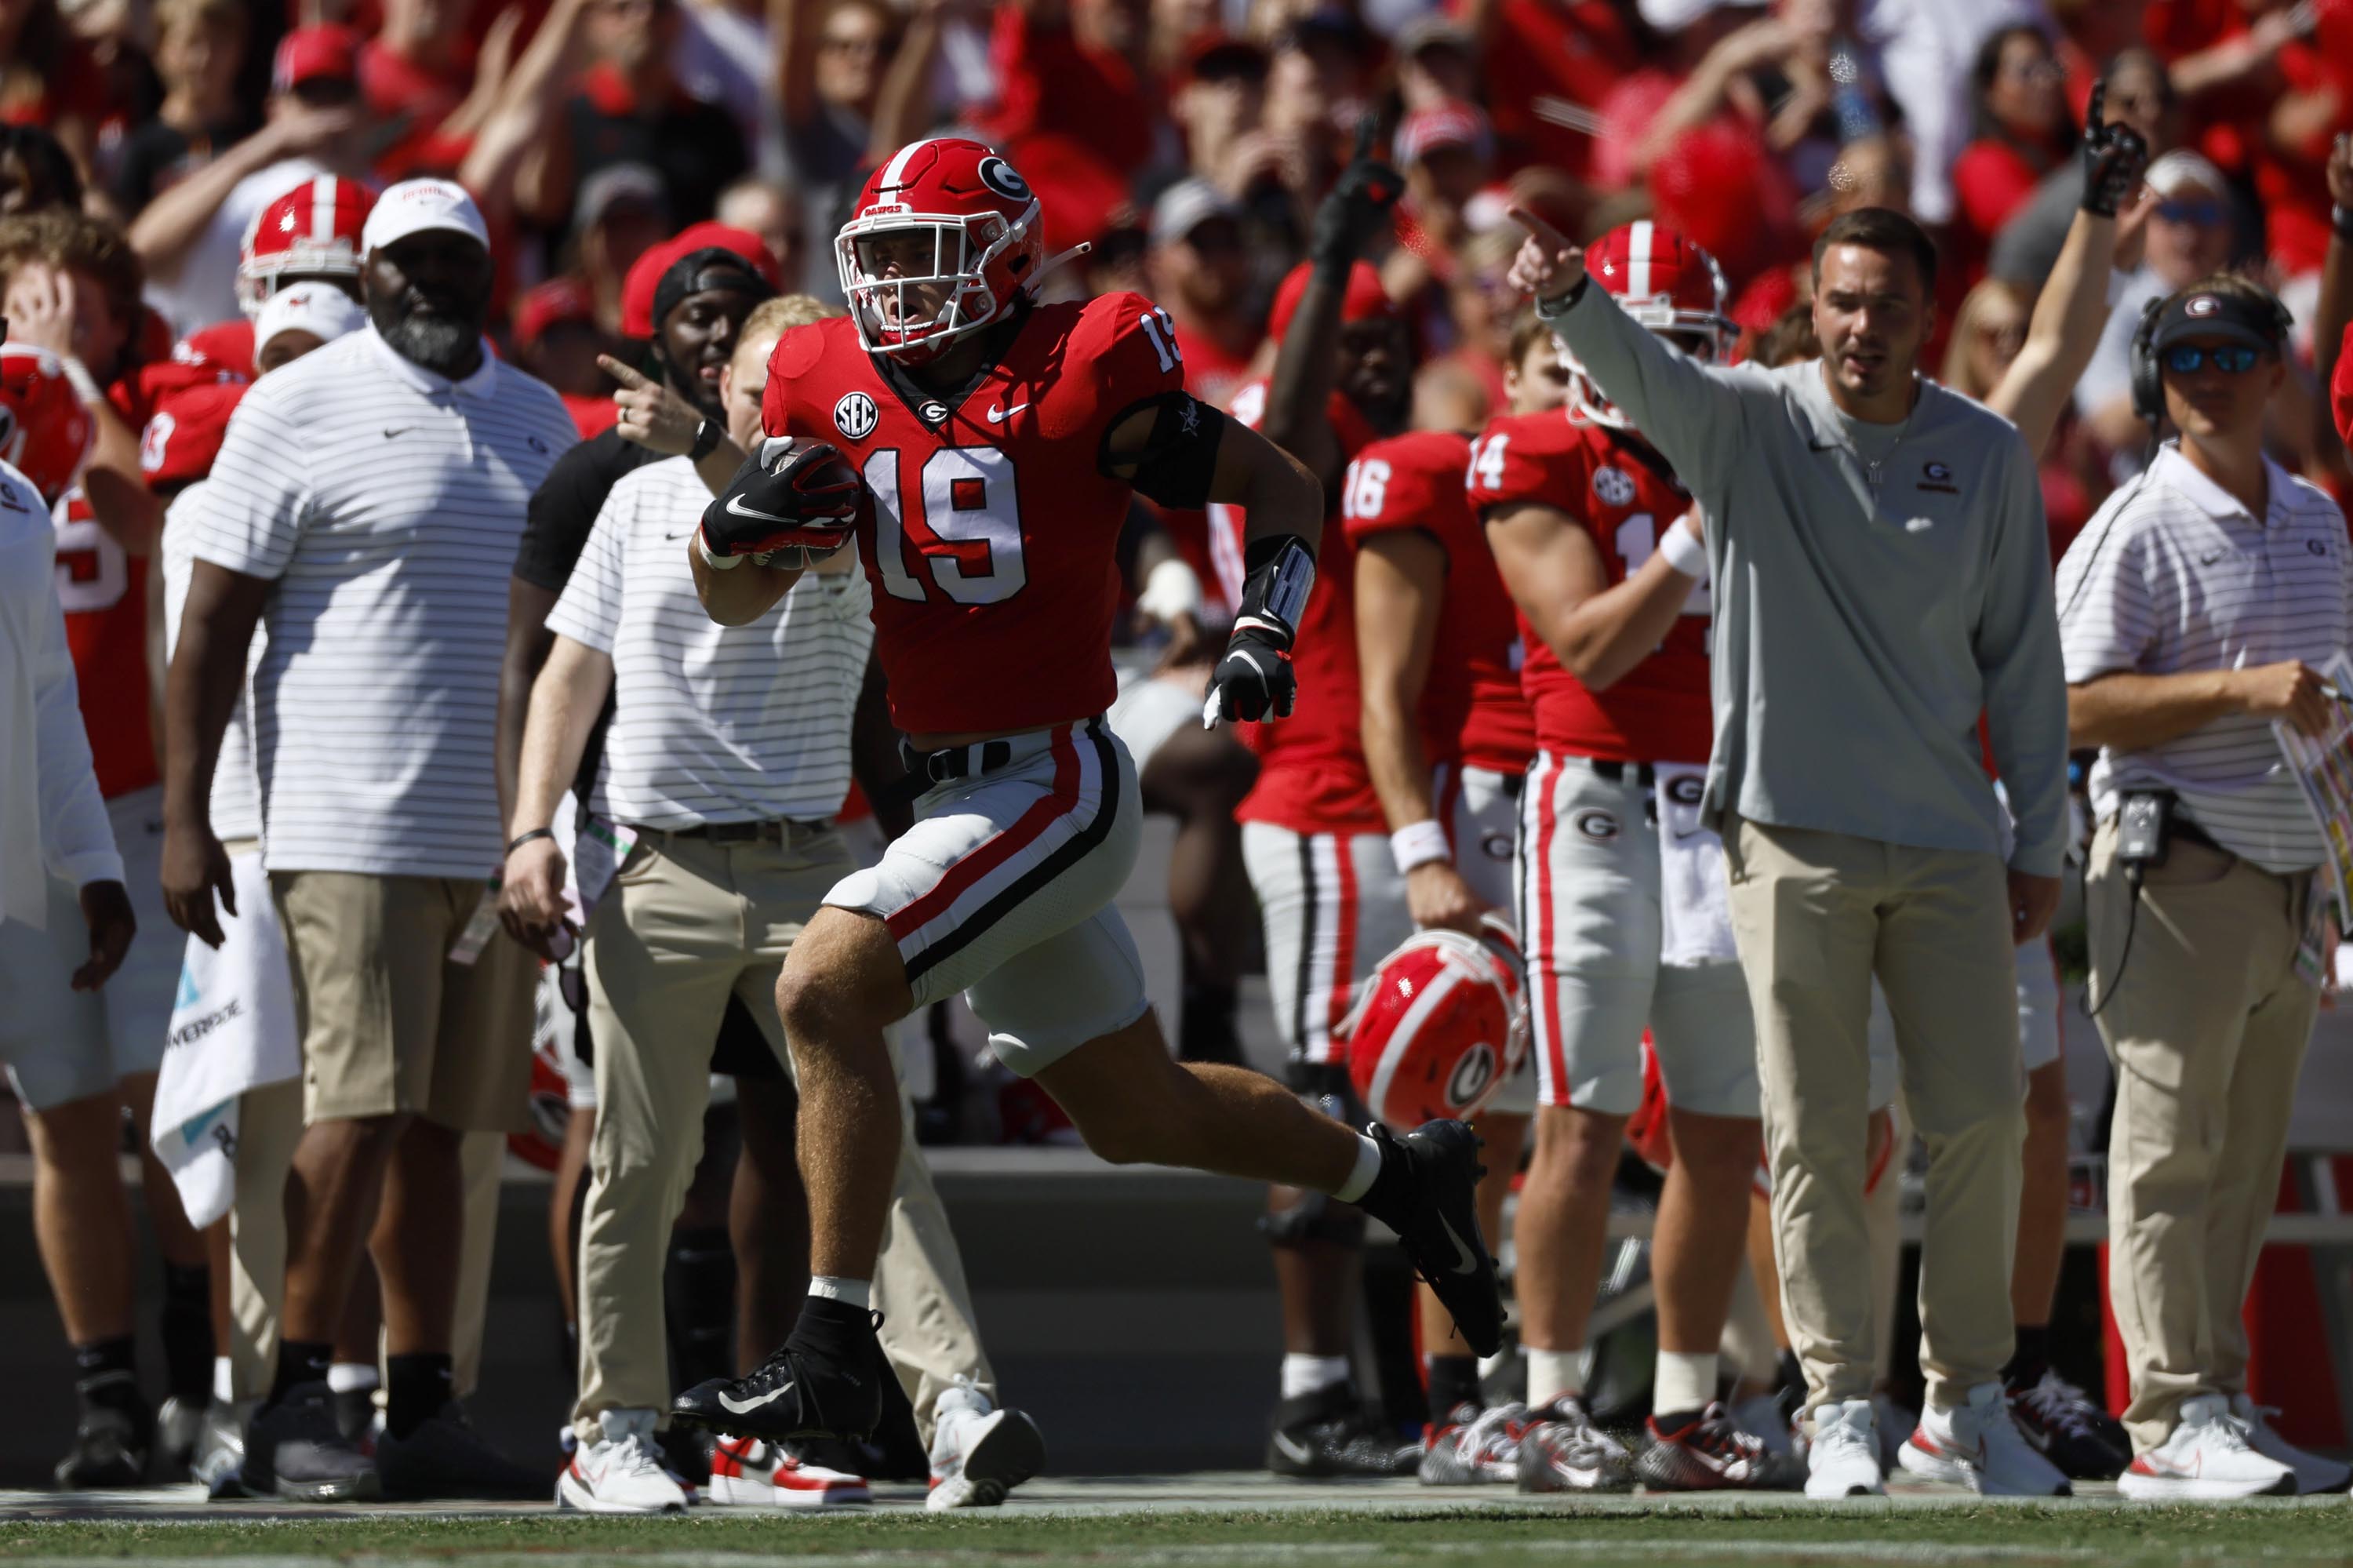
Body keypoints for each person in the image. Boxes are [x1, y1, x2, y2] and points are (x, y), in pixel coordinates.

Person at [663, 135, 1504, 1453]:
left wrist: (1263, 625)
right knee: (1138, 1113)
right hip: (957, 794)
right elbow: (729, 598)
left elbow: (1278, 481)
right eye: (875, 261)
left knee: (823, 986)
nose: (893, 289)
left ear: (1002, 262)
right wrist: (730, 530)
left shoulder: (1080, 368)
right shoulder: (825, 379)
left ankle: (835, 1354)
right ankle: (1402, 1172)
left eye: (922, 260)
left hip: (1050, 772)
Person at [1508, 202, 2071, 1499]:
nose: (1862, 324)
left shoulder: (1984, 454)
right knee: (1814, 1132)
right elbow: (1646, 372)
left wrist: (2037, 838)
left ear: (1931, 318)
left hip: (1946, 842)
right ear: (1812, 309)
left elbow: (2024, 669)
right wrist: (1569, 294)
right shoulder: (1749, 421)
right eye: (1842, 301)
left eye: (1887, 303)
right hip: (1789, 838)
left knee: (1984, 1115)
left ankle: (1966, 1406)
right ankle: (1836, 1412)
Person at [161, 178, 575, 1502]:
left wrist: (552, 821)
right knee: (359, 1107)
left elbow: (577, 637)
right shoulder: (294, 402)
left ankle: (424, 1404)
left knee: (455, 1127)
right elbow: (212, 622)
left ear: (490, 272)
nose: (434, 282)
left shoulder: (538, 414)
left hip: (499, 830)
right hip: (347, 820)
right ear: (370, 274)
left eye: (458, 260)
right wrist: (186, 819)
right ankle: (284, 1398)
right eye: (409, 263)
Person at [1476, 224, 1795, 1495]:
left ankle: (1680, 1409)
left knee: (1722, 1136)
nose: (1669, 371)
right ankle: (1550, 1396)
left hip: (1720, 811)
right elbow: (1591, 646)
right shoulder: (1544, 449)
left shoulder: (1740, 450)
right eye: (1651, 344)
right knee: (1580, 1120)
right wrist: (1693, 536)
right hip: (1594, 809)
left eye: (1690, 350)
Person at [2055, 273, 2353, 1501]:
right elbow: (2063, 705)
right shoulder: (2134, 521)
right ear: (2157, 381)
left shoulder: (2321, 517)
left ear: (2279, 369)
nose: (2211, 376)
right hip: (2172, 867)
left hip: (2293, 873)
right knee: (2168, 1151)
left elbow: (2327, 709)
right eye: (2185, 358)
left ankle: (2222, 1399)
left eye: (2235, 352)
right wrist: (2238, 692)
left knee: (2242, 1159)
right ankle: (2169, 1416)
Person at [1221, 238, 1420, 1476]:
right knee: (1323, 1106)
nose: (1376, 351)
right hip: (1323, 811)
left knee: (1405, 1118)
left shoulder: (1407, 439)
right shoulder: (1307, 437)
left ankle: (1403, 1389)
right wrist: (1334, 246)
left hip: (1388, 813)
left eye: (1386, 330)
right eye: (1350, 333)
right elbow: (1287, 414)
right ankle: (1309, 1396)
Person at [1344, 310, 1544, 1486]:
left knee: (1684, 1116)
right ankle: (1457, 1405)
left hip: (1652, 806)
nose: (1578, 393)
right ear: (1504, 379)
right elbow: (1386, 695)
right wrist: (1424, 847)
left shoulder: (1663, 464)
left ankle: (1705, 1395)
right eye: (1552, 372)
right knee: (1478, 1125)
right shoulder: (1434, 476)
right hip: (1505, 809)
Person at [0, 343, 157, 1487]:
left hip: (19, 864)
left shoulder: (14, 505)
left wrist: (95, 864)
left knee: (78, 1110)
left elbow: (47, 699)